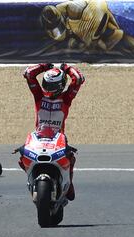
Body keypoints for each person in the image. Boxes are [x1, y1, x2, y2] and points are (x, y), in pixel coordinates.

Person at [20, 62, 85, 201]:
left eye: (52, 86)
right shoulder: (39, 95)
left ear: (61, 85)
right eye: (46, 84)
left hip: (58, 138)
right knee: (22, 156)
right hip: (39, 137)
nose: (48, 89)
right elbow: (28, 74)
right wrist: (43, 66)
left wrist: (66, 67)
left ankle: (69, 183)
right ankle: (32, 177)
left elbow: (78, 78)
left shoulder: (66, 98)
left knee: (70, 158)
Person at [40, 0, 134, 55]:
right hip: (96, 9)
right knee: (114, 34)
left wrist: (92, 40)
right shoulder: (64, 14)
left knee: (93, 43)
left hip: (94, 12)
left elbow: (93, 13)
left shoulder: (70, 11)